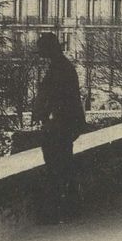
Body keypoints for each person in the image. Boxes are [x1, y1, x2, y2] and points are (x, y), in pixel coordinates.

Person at [32, 32, 86, 224]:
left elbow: (55, 97)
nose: (42, 56)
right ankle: (70, 209)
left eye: (43, 51)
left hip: (59, 125)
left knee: (56, 168)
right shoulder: (62, 66)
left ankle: (57, 212)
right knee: (63, 166)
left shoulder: (59, 69)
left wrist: (43, 114)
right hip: (64, 124)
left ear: (49, 50)